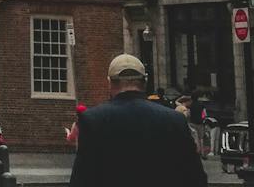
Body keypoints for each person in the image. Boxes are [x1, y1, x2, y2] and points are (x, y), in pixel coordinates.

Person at [68, 53, 204, 187]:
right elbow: (195, 177)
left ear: (109, 82)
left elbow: (82, 179)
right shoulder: (175, 120)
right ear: (145, 81)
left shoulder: (92, 120)